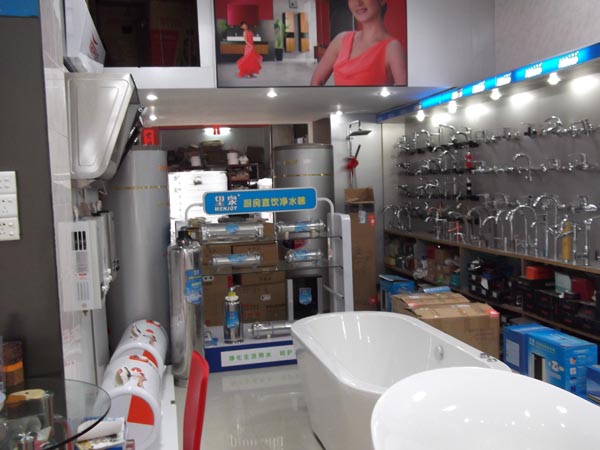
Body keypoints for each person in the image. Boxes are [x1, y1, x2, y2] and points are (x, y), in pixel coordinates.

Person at [310, 0, 406, 86]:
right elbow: (316, 81)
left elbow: (405, 95)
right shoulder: (341, 40)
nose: (357, 3)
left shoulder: (392, 48)